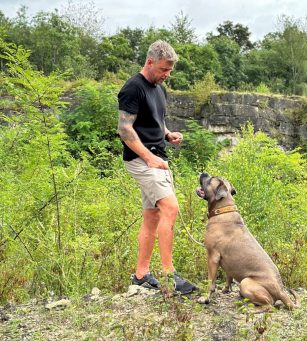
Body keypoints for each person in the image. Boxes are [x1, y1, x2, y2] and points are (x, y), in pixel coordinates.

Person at [117, 40, 198, 294]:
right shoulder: (132, 88)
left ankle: (141, 275)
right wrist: (149, 158)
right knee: (170, 208)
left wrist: (167, 134)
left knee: (152, 216)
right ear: (150, 62)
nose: (167, 75)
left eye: (170, 71)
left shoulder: (160, 89)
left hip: (157, 156)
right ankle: (169, 276)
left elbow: (155, 120)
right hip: (142, 160)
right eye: (164, 69)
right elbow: (125, 129)